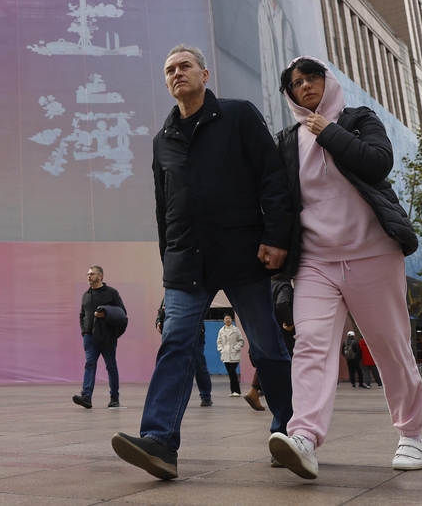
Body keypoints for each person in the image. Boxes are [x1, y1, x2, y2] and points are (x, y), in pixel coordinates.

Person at [111, 45, 294, 481]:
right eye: (170, 69)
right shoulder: (163, 141)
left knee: (267, 343)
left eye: (185, 66)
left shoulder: (238, 116)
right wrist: (168, 262)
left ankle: (290, 432)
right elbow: (164, 210)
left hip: (243, 254)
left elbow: (272, 176)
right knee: (175, 344)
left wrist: (275, 237)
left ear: (205, 74)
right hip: (186, 263)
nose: (177, 73)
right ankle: (159, 442)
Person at [267, 56, 422, 480]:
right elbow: (279, 201)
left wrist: (330, 132)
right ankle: (303, 437)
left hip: (373, 252)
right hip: (316, 260)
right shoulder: (287, 140)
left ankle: (411, 434)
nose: (304, 87)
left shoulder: (358, 119)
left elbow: (378, 163)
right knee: (311, 344)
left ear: (328, 81)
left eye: (311, 78)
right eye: (295, 83)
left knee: (391, 346)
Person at [258, 0, 299, 132]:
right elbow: (265, 72)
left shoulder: (288, 25)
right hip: (274, 114)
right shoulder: (261, 14)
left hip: (292, 112)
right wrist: (268, 119)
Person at [74, 266, 126, 409]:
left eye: (92, 274)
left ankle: (114, 398)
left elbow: (122, 314)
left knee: (111, 366)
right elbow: (82, 315)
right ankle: (86, 397)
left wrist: (106, 315)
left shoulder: (112, 293)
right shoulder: (86, 295)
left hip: (107, 337)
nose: (89, 276)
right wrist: (84, 331)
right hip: (89, 337)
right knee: (89, 364)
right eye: (88, 274)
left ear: (100, 276)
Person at [244, 276, 296, 412]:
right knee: (287, 363)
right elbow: (282, 303)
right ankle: (289, 400)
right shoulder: (284, 286)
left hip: (264, 328)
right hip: (281, 331)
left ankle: (254, 392)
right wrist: (289, 322)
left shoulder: (268, 283)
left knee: (267, 362)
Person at [156, 299, 213, 406]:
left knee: (199, 365)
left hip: (195, 333)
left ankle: (206, 396)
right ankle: (173, 397)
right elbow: (160, 311)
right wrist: (158, 320)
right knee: (172, 365)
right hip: (173, 332)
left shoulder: (192, 293)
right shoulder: (168, 296)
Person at [216, 314, 244, 397]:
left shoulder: (236, 330)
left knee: (232, 371)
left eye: (229, 318)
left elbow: (241, 341)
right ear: (223, 320)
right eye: (226, 318)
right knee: (230, 373)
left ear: (231, 320)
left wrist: (235, 348)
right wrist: (222, 350)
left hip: (234, 354)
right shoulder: (221, 331)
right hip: (225, 355)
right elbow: (219, 342)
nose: (228, 320)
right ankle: (233, 391)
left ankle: (236, 391)